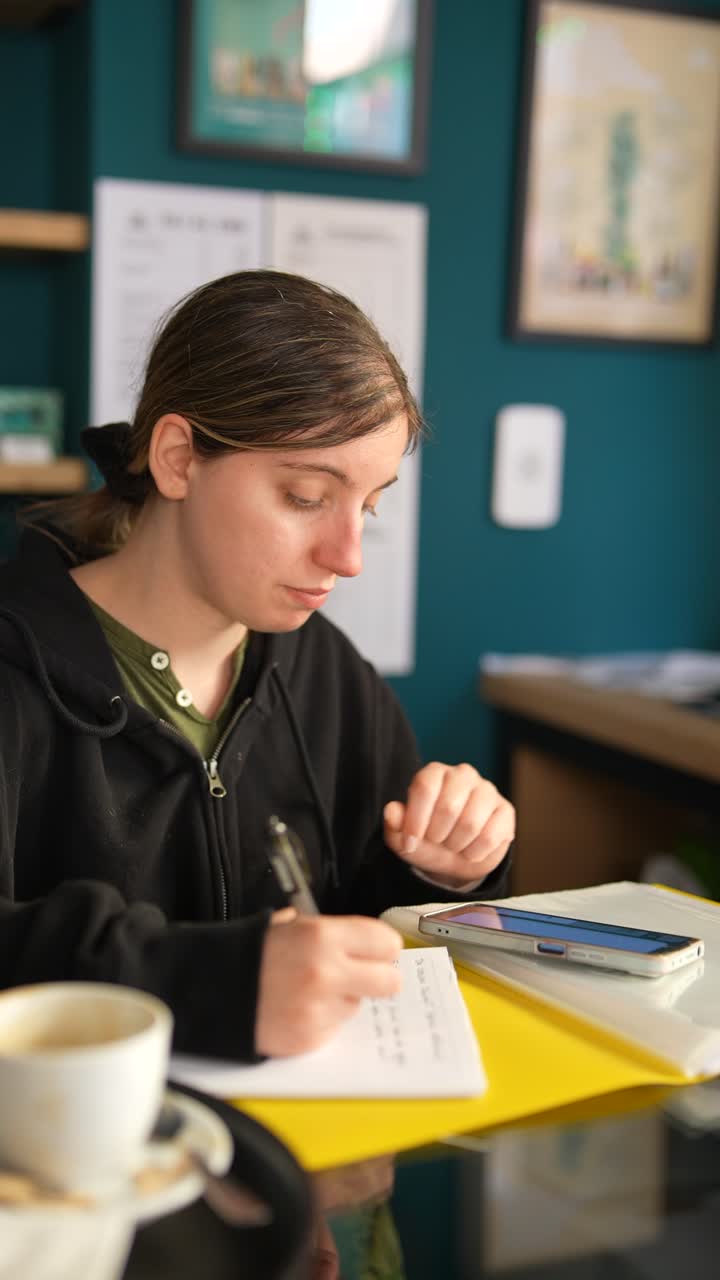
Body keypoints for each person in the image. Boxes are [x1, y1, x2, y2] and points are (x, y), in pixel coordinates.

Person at [0, 270, 514, 1062]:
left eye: (369, 507)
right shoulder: (14, 670)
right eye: (307, 496)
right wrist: (215, 984)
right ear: (177, 459)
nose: (348, 557)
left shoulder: (330, 675)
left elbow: (381, 931)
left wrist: (449, 874)